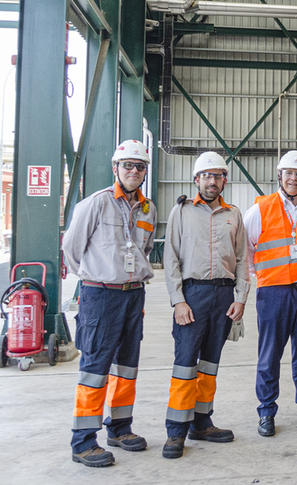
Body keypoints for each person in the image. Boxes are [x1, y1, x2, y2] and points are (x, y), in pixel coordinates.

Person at [64, 140, 158, 467]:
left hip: (133, 295)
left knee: (126, 367)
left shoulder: (148, 208)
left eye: (140, 166)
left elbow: (143, 249)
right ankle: (83, 441)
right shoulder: (96, 204)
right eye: (128, 165)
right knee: (95, 368)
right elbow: (72, 250)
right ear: (115, 168)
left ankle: (119, 428)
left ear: (146, 172)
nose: (134, 171)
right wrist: (100, 275)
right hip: (100, 295)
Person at [161, 152, 249, 459]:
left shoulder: (233, 214)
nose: (213, 181)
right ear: (197, 179)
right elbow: (170, 257)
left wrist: (240, 298)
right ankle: (176, 432)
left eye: (218, 176)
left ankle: (202, 421)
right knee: (186, 363)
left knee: (210, 364)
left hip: (223, 296)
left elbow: (241, 260)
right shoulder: (182, 212)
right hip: (193, 294)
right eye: (207, 176)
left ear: (225, 180)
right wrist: (178, 301)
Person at [243, 150, 297, 437]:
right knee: (269, 355)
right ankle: (266, 411)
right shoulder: (260, 208)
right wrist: (263, 277)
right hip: (273, 293)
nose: (293, 179)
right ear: (280, 176)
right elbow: (246, 250)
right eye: (289, 173)